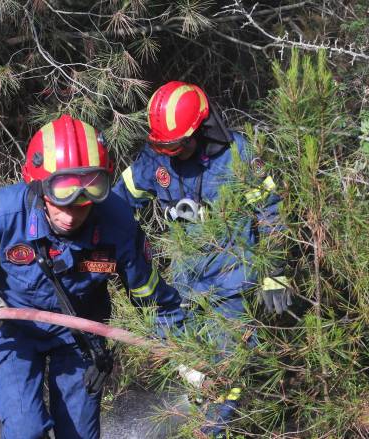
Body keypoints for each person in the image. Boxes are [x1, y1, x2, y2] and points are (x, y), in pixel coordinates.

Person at [0, 114, 186, 439]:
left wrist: (183, 351)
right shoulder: (6, 212)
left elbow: (151, 296)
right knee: (24, 432)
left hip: (80, 334)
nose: (71, 215)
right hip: (15, 331)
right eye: (62, 201)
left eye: (84, 202)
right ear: (39, 186)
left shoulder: (117, 224)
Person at [113, 81, 293, 436]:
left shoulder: (238, 155)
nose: (169, 153)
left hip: (232, 287)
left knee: (228, 374)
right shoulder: (156, 158)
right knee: (193, 373)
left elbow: (271, 211)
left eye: (175, 146)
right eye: (162, 146)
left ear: (198, 131)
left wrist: (275, 269)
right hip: (183, 290)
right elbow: (119, 202)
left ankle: (212, 432)